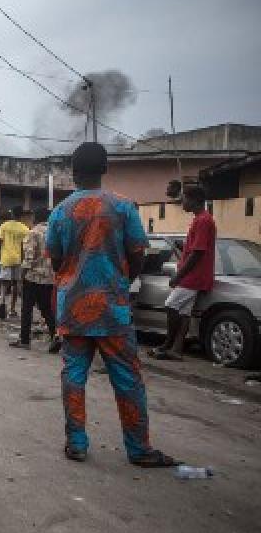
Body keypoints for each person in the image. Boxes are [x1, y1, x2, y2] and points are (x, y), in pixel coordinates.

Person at [47, 142, 177, 467]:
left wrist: (74, 276)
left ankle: (76, 443)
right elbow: (137, 253)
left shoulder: (60, 211)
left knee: (74, 374)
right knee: (127, 378)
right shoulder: (122, 207)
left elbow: (57, 259)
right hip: (113, 309)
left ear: (73, 172)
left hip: (74, 307)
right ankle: (139, 449)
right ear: (104, 170)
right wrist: (121, 281)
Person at [150, 186, 215, 361]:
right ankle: (176, 349)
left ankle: (169, 342)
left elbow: (198, 252)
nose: (182, 202)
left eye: (185, 198)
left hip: (193, 275)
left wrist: (178, 276)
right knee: (184, 312)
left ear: (194, 200)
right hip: (195, 274)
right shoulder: (201, 219)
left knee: (171, 305)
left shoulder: (203, 220)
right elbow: (196, 248)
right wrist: (183, 246)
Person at [11, 207, 60, 353]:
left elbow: (29, 258)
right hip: (50, 278)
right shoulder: (54, 233)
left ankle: (25, 340)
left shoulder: (33, 233)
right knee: (47, 309)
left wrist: (21, 277)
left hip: (33, 277)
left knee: (27, 308)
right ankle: (55, 335)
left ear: (35, 218)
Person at [0, 207, 29, 318]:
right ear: (21, 216)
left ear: (12, 214)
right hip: (19, 259)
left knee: (4, 284)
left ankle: (2, 303)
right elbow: (25, 246)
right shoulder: (25, 229)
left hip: (5, 259)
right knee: (16, 284)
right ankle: (12, 309)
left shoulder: (4, 226)